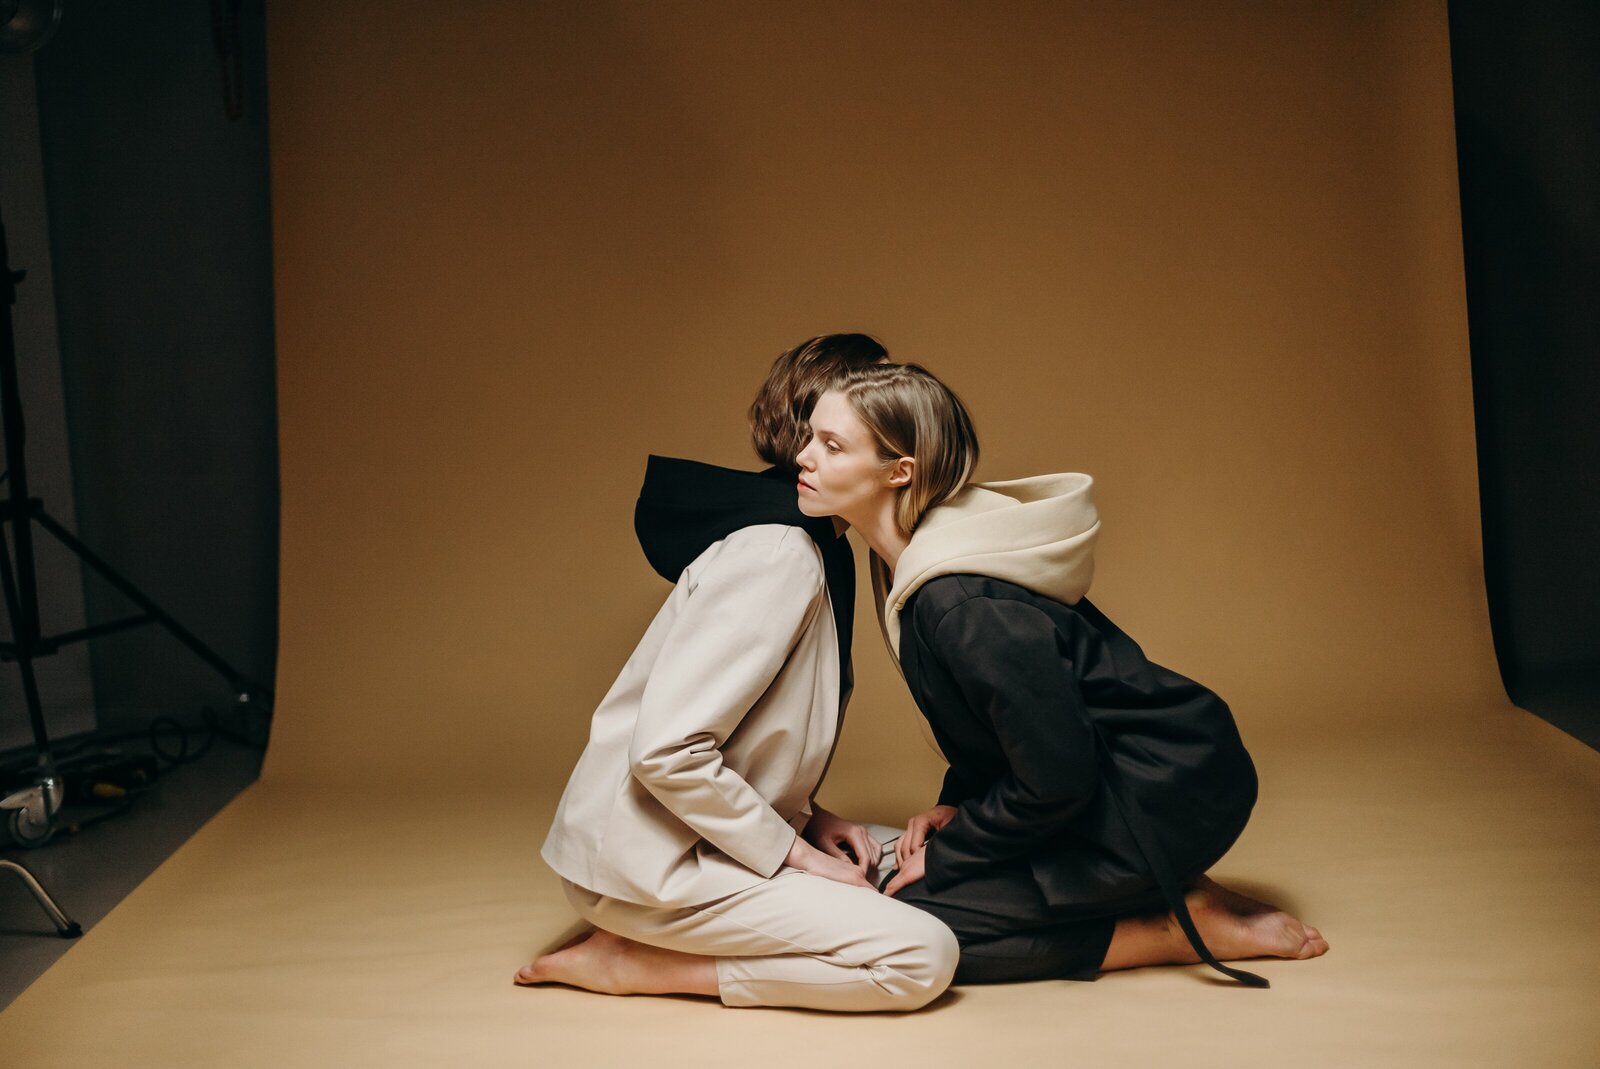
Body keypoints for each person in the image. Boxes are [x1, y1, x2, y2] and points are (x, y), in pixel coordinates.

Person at [795, 362, 1329, 987]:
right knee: (899, 905)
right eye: (811, 437)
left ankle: (1174, 927)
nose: (803, 457)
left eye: (831, 446)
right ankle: (1154, 892)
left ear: (900, 470)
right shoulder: (911, 565)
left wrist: (954, 853)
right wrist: (957, 806)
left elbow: (1057, 777)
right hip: (1103, 778)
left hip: (1163, 791)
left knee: (909, 927)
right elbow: (1000, 719)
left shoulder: (959, 601)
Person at [519, 335, 959, 1012]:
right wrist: (794, 852)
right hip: (649, 869)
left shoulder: (809, 540)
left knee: (912, 855)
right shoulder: (780, 551)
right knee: (922, 955)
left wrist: (812, 821)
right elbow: (668, 749)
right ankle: (635, 962)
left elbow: (733, 738)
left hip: (684, 842)